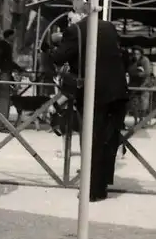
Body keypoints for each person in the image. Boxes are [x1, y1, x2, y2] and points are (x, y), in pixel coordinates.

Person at [50, 11, 128, 202]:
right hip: (117, 90)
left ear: (79, 14)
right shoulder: (108, 26)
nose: (69, 21)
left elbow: (59, 57)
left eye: (70, 17)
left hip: (94, 92)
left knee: (91, 139)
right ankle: (101, 185)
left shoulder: (75, 30)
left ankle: (91, 191)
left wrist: (51, 48)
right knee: (108, 139)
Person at [0, 29, 24, 133]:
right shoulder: (4, 46)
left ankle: (2, 124)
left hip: (3, 75)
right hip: (2, 76)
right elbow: (1, 61)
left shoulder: (2, 45)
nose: (14, 37)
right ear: (9, 36)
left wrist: (17, 68)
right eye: (13, 36)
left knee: (3, 101)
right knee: (2, 101)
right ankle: (1, 125)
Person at [126, 46, 152, 123]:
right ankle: (136, 120)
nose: (135, 55)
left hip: (144, 84)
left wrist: (138, 74)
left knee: (144, 103)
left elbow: (147, 72)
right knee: (134, 103)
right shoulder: (131, 61)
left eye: (137, 54)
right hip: (134, 84)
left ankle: (142, 120)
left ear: (141, 54)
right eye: (134, 54)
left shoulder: (144, 60)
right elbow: (129, 71)